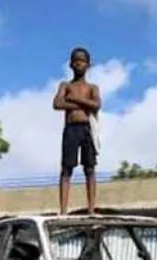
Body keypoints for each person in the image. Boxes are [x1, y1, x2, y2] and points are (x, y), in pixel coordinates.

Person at [52, 46, 102, 215]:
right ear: (71, 65)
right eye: (76, 61)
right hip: (71, 129)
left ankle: (91, 209)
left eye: (82, 61)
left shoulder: (92, 88)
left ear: (88, 65)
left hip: (87, 129)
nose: (79, 64)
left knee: (90, 168)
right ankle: (63, 210)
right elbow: (57, 104)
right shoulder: (65, 85)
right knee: (66, 169)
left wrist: (73, 98)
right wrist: (82, 104)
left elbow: (97, 105)